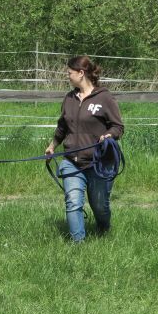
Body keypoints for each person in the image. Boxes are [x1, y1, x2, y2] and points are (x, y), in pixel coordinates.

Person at [45, 55, 124, 242]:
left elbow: (118, 127)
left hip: (99, 163)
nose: (67, 76)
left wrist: (109, 135)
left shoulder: (104, 98)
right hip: (72, 161)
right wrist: (52, 146)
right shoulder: (69, 98)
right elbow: (62, 127)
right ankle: (77, 244)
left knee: (100, 207)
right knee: (73, 202)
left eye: (69, 73)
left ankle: (103, 231)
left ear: (81, 73)